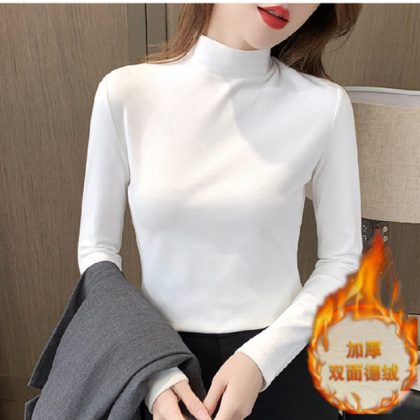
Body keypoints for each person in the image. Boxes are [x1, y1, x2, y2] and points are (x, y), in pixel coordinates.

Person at [77, 3, 363, 419]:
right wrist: (153, 375)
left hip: (283, 362)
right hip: (159, 368)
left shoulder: (324, 105)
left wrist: (260, 360)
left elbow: (342, 260)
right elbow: (97, 252)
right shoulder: (125, 94)